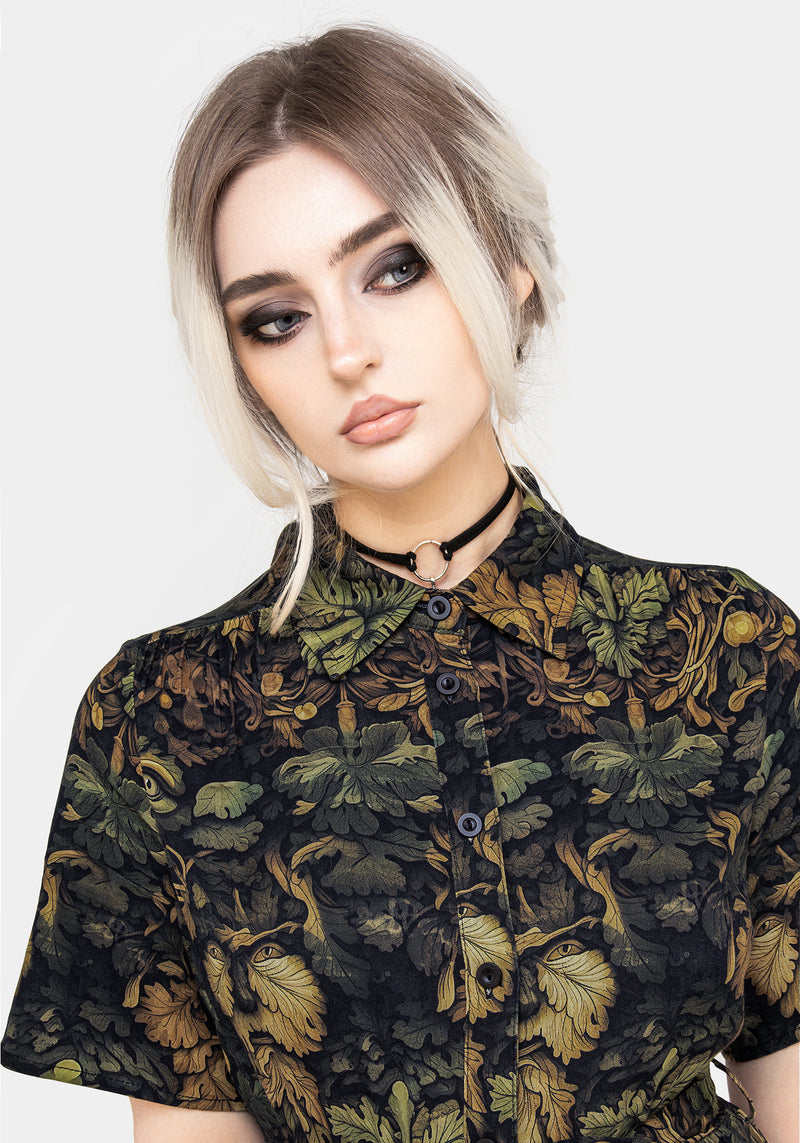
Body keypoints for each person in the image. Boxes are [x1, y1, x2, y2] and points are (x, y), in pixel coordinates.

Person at [2, 22, 798, 1143]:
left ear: (506, 262)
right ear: (243, 366)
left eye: (394, 267)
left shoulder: (729, 652)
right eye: (277, 318)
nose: (345, 350)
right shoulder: (157, 719)